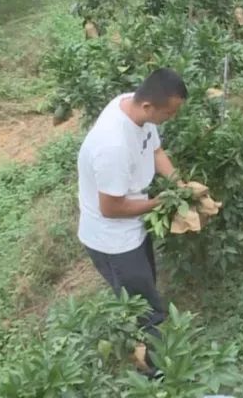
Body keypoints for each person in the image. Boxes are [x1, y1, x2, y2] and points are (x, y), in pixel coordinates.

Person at [76, 67, 189, 377]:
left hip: (133, 227)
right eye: (170, 112)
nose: (171, 118)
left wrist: (180, 185)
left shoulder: (133, 106)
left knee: (145, 290)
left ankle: (151, 359)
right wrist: (160, 203)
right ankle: (155, 374)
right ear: (150, 106)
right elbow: (111, 207)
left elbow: (155, 150)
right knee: (145, 310)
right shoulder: (112, 144)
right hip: (112, 239)